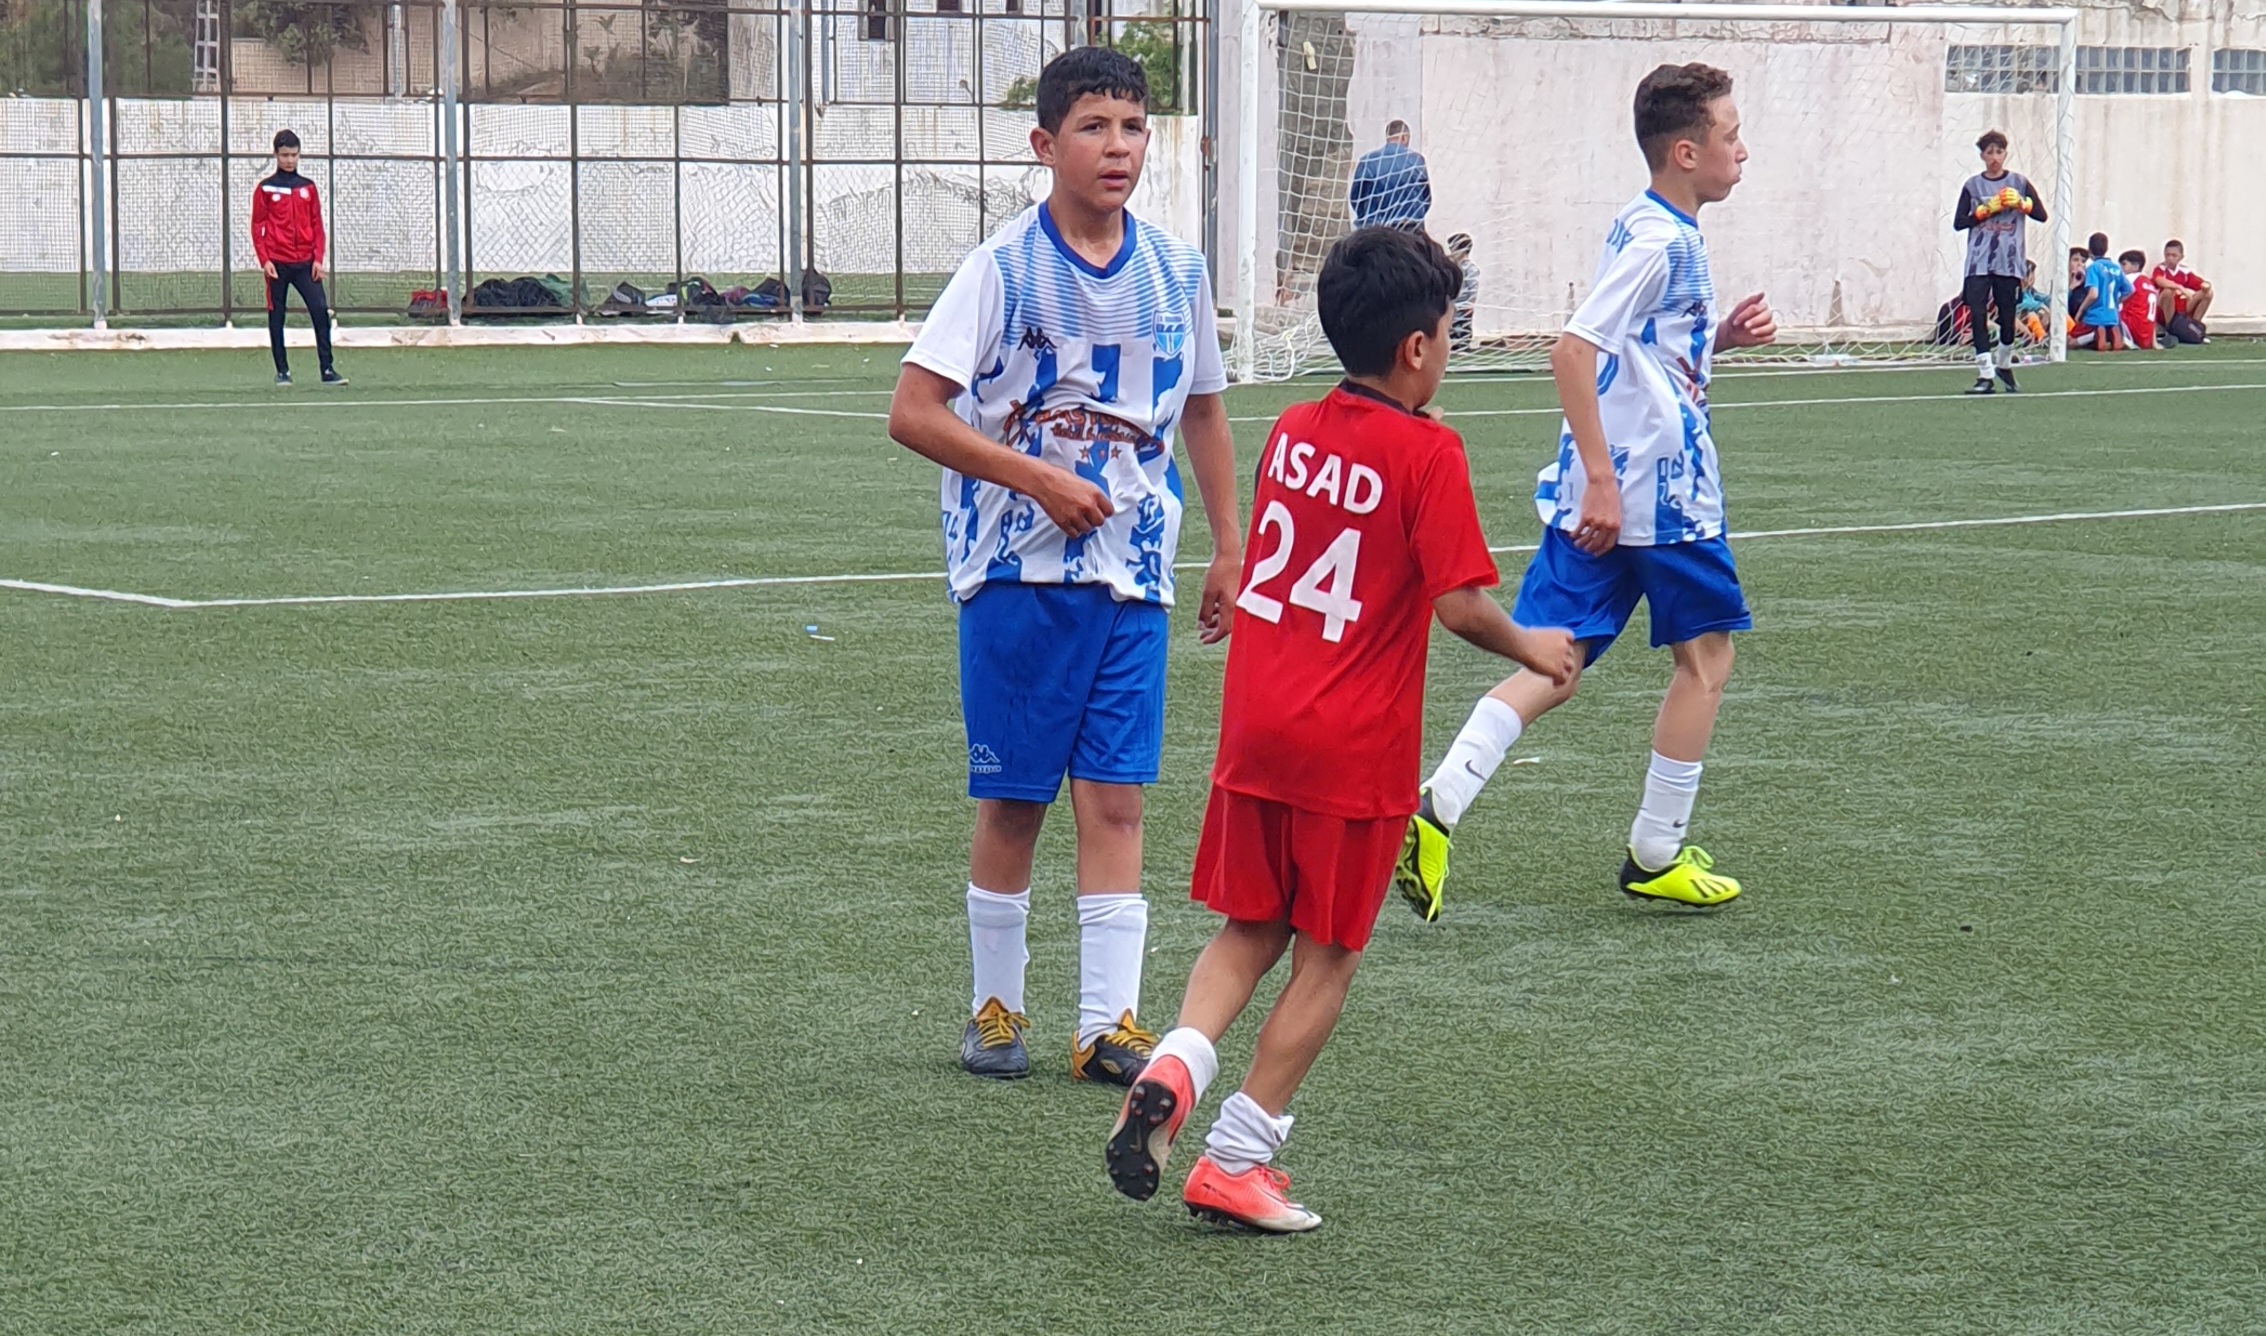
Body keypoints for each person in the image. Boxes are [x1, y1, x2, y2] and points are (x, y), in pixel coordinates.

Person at [1102, 227, 1577, 1233]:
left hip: (1256, 725)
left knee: (1248, 928)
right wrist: (1533, 647)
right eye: (1448, 332)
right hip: (1351, 747)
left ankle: (1174, 1068)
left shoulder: (1292, 427)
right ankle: (1236, 1158)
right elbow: (1459, 605)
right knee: (1327, 953)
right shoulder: (1429, 450)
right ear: (1418, 347)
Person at [887, 48, 1243, 1086]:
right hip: (1016, 578)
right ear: (1046, 145)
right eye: (1093, 127)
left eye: (1131, 128)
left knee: (1119, 801)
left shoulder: (1178, 272)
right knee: (1014, 801)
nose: (1116, 147)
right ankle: (994, 1008)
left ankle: (1107, 1024)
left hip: (1133, 580)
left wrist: (1230, 544)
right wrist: (1034, 478)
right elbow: (913, 411)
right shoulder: (1002, 269)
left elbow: (1205, 410)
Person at [1396, 62, 1778, 922]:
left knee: (1554, 658)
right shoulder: (1662, 242)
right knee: (1707, 660)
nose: (1743, 151)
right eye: (1731, 135)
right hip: (1658, 492)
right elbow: (1573, 351)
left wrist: (1716, 338)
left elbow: (1638, 350)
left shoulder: (1647, 224)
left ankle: (1437, 807)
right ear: (1686, 152)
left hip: (1603, 485)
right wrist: (1607, 481)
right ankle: (1656, 851)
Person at [1951, 130, 2045, 395]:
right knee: (1978, 313)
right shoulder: (1972, 186)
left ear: (2005, 154)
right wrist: (1982, 212)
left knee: (2007, 316)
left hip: (2009, 261)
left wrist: (2024, 205)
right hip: (1979, 261)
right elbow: (1959, 222)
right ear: (1982, 155)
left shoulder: (2019, 182)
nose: (1994, 157)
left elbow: (2041, 215)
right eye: (1989, 152)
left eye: (1999, 152)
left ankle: (2003, 364)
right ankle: (1984, 374)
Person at [252, 129, 344, 386]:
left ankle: (327, 369)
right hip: (277, 264)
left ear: (299, 155)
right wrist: (265, 260)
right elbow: (257, 226)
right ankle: (282, 371)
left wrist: (318, 259)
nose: (289, 160)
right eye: (284, 155)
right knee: (277, 316)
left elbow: (317, 225)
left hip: (305, 264)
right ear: (275, 155)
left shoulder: (308, 187)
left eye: (294, 155)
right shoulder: (265, 188)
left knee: (320, 311)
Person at [1348, 120, 1432, 232]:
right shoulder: (1416, 160)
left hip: (1375, 229)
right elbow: (1426, 197)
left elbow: (1356, 197)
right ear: (1404, 137)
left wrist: (1366, 218)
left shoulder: (1368, 161)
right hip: (1410, 229)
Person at [2074, 232, 2131, 352]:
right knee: (2109, 328)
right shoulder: (2116, 267)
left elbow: (2093, 294)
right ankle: (2112, 337)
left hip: (2095, 316)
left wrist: (2081, 310)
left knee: (2068, 342)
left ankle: (2095, 336)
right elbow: (2129, 290)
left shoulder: (2094, 267)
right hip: (2113, 315)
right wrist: (2116, 302)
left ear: (2089, 250)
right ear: (2106, 248)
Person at [2151, 240, 2212, 343]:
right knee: (2168, 291)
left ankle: (2195, 327)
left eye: (2174, 255)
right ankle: (2170, 328)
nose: (2170, 258)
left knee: (2207, 294)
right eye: (2167, 255)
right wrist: (2180, 288)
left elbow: (2201, 284)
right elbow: (2159, 280)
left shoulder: (2184, 271)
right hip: (2166, 310)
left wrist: (2206, 286)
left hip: (2182, 307)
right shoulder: (2160, 269)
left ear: (2181, 257)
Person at [2117, 250, 2160, 350]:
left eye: (2124, 264)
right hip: (2147, 333)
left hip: (2133, 327)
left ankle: (2120, 338)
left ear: (2135, 266)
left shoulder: (2129, 279)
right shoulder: (2148, 282)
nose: (2120, 268)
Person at [1445, 231, 1478, 350]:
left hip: (1464, 306)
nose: (1452, 253)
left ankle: (1463, 346)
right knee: (1451, 326)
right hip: (1454, 304)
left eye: (1453, 249)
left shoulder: (1470, 268)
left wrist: (1470, 303)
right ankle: (1454, 345)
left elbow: (1473, 287)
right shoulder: (1454, 268)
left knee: (1463, 327)